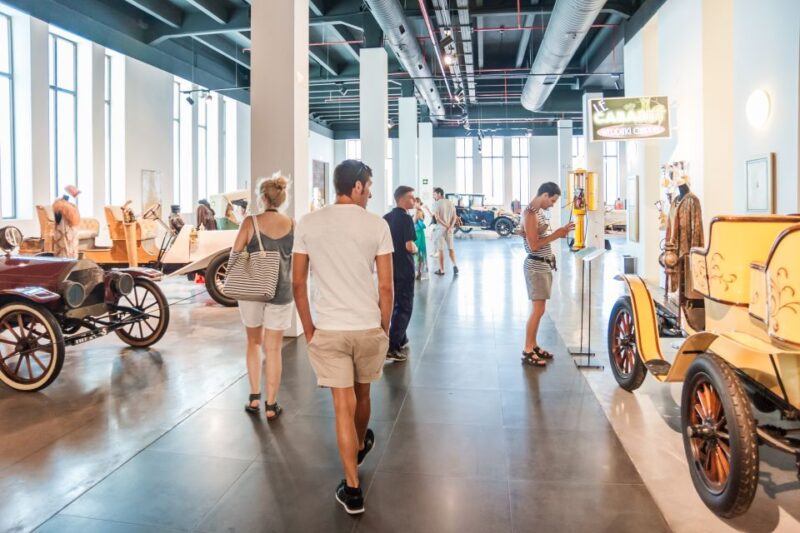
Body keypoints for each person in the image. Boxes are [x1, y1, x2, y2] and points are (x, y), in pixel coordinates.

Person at [292, 159, 393, 515]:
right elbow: (385, 285)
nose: (371, 192)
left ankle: (352, 489)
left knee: (341, 406)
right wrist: (384, 326)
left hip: (329, 328)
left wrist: (308, 328)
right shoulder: (376, 225)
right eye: (369, 185)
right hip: (366, 326)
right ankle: (360, 445)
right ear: (357, 186)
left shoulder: (308, 223)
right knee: (363, 395)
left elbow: (298, 283)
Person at [232, 176, 294, 420]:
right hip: (282, 292)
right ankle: (271, 405)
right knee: (275, 348)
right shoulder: (293, 224)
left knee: (253, 343)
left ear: (262, 197)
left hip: (252, 291)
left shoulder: (250, 222)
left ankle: (254, 397)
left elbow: (235, 252)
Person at [521, 182, 574, 366]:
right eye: (552, 200)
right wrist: (557, 234)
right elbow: (534, 245)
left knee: (541, 309)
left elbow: (534, 236)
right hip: (535, 266)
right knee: (537, 310)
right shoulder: (530, 213)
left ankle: (533, 345)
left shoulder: (538, 213)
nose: (552, 204)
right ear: (544, 195)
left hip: (542, 265)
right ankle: (527, 349)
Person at [383, 186, 418, 362]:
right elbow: (409, 246)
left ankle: (401, 338)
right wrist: (417, 249)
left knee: (395, 304)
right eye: (411, 197)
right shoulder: (406, 219)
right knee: (404, 307)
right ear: (402, 199)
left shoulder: (386, 218)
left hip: (389, 267)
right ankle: (392, 346)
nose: (414, 200)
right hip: (404, 268)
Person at [431, 187, 459, 276]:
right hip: (450, 230)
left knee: (441, 250)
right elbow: (455, 217)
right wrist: (450, 226)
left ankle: (442, 270)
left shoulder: (437, 203)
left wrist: (447, 226)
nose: (434, 196)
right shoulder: (451, 203)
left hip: (440, 229)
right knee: (451, 248)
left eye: (434, 194)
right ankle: (455, 265)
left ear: (439, 194)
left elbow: (437, 218)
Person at [52, 185, 81, 258]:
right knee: (64, 248)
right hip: (63, 232)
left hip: (70, 233)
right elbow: (58, 221)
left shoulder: (71, 206)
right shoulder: (59, 205)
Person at [414, 197, 429, 280]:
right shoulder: (422, 211)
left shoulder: (417, 211)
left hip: (417, 233)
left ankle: (417, 272)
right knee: (420, 252)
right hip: (420, 233)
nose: (414, 204)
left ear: (419, 202)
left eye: (415, 202)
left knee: (416, 251)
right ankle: (418, 272)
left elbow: (413, 222)